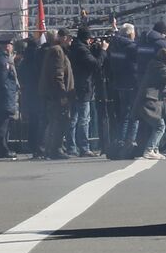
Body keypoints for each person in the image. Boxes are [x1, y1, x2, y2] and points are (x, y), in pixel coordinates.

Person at [66, 25, 105, 156]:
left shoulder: (74, 47)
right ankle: (84, 147)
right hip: (83, 87)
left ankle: (71, 147)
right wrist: (103, 51)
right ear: (86, 38)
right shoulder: (82, 50)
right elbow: (96, 64)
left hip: (74, 86)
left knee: (73, 118)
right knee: (84, 119)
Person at [134, 47, 166, 160]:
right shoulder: (162, 69)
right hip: (150, 100)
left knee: (157, 125)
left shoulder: (153, 65)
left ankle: (154, 149)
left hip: (147, 99)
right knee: (160, 125)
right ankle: (149, 150)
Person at [38, 28, 75, 160]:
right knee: (59, 121)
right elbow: (58, 75)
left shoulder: (59, 50)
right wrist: (62, 94)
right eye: (69, 38)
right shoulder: (57, 51)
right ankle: (55, 148)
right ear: (63, 37)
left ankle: (53, 148)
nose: (71, 40)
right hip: (56, 95)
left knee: (58, 121)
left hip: (55, 94)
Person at [106, 23, 139, 153]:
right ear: (130, 34)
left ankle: (120, 140)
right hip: (132, 83)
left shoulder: (114, 46)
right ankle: (130, 142)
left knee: (124, 114)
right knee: (134, 114)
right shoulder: (132, 47)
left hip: (119, 83)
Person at [0, 39, 20, 159]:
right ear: (7, 46)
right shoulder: (2, 60)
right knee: (2, 124)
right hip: (4, 96)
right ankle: (2, 149)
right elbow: (2, 80)